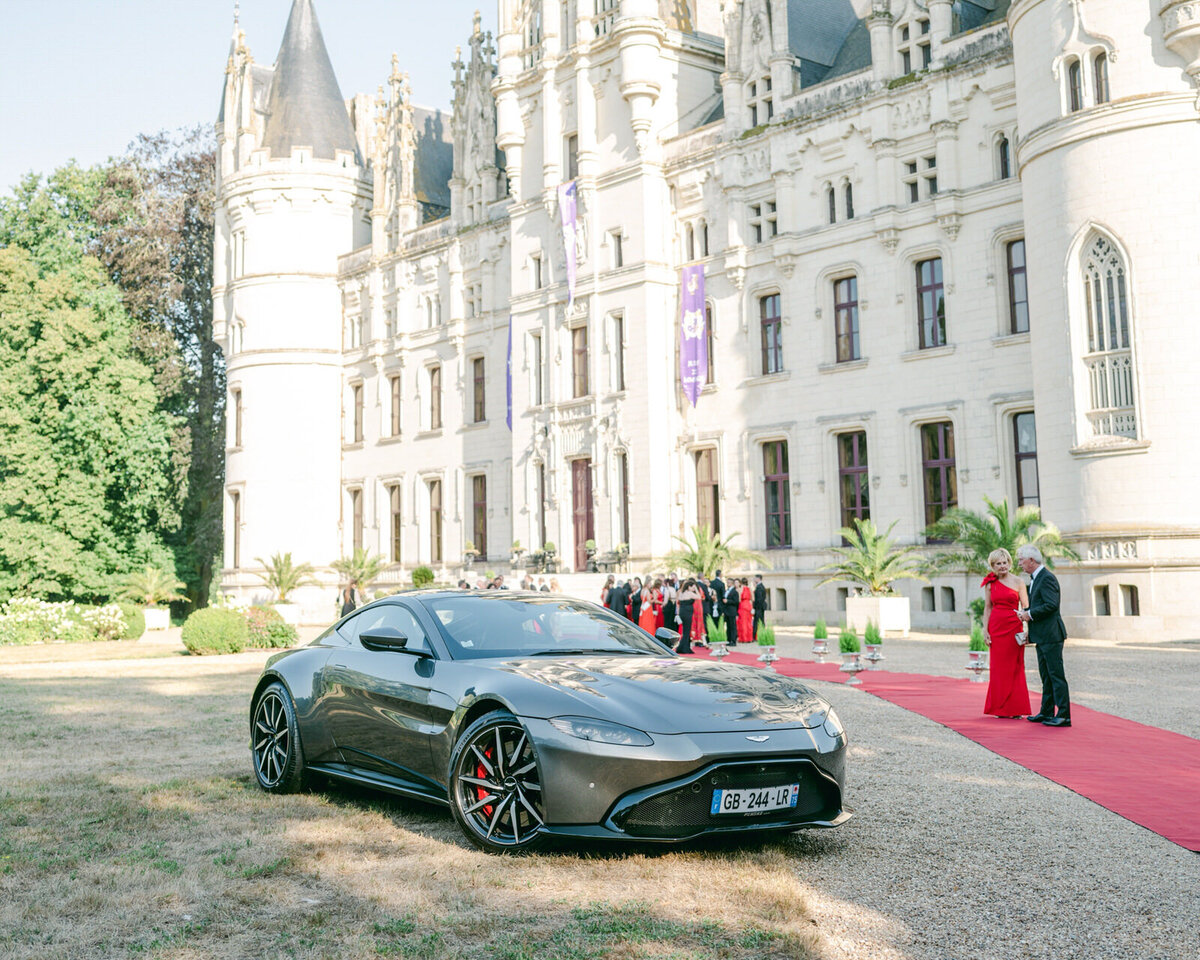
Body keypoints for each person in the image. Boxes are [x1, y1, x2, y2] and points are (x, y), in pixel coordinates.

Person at [1017, 545, 1071, 727]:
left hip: (1052, 635)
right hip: (1042, 636)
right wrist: (1025, 614)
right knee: (1046, 676)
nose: (1019, 564)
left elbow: (1051, 605)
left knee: (1056, 676)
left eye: (1021, 560)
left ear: (1031, 560)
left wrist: (1029, 614)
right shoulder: (1036, 578)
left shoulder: (1047, 578)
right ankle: (1047, 711)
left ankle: (1064, 715)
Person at [980, 548, 1032, 718]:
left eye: (1004, 563)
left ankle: (1016, 709)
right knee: (998, 668)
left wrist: (1028, 632)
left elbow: (1026, 608)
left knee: (1016, 667)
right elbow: (988, 608)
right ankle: (1000, 708)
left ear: (1009, 563)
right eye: (998, 564)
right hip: (996, 628)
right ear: (993, 566)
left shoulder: (1019, 582)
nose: (1002, 566)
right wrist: (985, 630)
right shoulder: (990, 584)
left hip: (1014, 627)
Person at [676, 578, 700, 654]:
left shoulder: (681, 593)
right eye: (692, 587)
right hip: (687, 613)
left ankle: (683, 647)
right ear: (689, 586)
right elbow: (699, 597)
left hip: (682, 612)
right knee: (687, 630)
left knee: (685, 630)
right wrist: (696, 589)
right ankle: (684, 648)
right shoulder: (689, 593)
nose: (693, 588)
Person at [723, 577, 740, 645]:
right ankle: (729, 639)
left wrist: (728, 601)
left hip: (732, 611)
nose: (728, 584)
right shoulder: (726, 591)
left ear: (732, 583)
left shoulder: (735, 592)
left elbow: (736, 602)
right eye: (727, 582)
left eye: (729, 582)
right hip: (727, 611)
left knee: (733, 626)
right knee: (728, 626)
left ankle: (733, 640)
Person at [737, 578, 753, 645]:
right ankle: (749, 638)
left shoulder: (741, 588)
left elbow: (739, 599)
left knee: (742, 622)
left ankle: (743, 638)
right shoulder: (750, 588)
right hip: (748, 605)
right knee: (749, 622)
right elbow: (753, 598)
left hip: (743, 605)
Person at [710, 569, 726, 635]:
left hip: (712, 603)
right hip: (720, 604)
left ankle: (714, 634)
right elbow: (723, 595)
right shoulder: (722, 584)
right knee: (720, 620)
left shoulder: (712, 583)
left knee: (713, 620)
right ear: (720, 575)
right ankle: (720, 634)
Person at [752, 574, 767, 641]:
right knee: (760, 621)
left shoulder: (759, 587)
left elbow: (759, 599)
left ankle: (755, 636)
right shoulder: (759, 586)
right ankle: (759, 635)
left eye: (755, 578)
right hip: (760, 607)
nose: (754, 580)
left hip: (759, 608)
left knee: (758, 622)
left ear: (758, 579)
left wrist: (755, 607)